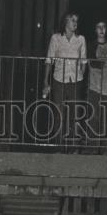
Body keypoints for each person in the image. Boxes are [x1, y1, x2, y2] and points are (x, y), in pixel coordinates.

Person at [42, 12, 87, 144]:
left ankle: (73, 146)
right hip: (58, 80)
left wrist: (80, 76)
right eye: (72, 20)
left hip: (75, 81)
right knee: (59, 113)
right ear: (65, 22)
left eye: (76, 20)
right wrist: (45, 81)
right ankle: (59, 145)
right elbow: (49, 60)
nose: (75, 23)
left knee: (75, 114)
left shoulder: (80, 39)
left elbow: (84, 62)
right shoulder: (56, 38)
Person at [87, 20, 107, 145]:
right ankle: (93, 146)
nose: (101, 29)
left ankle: (106, 147)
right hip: (94, 85)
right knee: (94, 116)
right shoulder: (91, 45)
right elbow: (92, 62)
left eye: (104, 26)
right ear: (95, 30)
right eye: (99, 27)